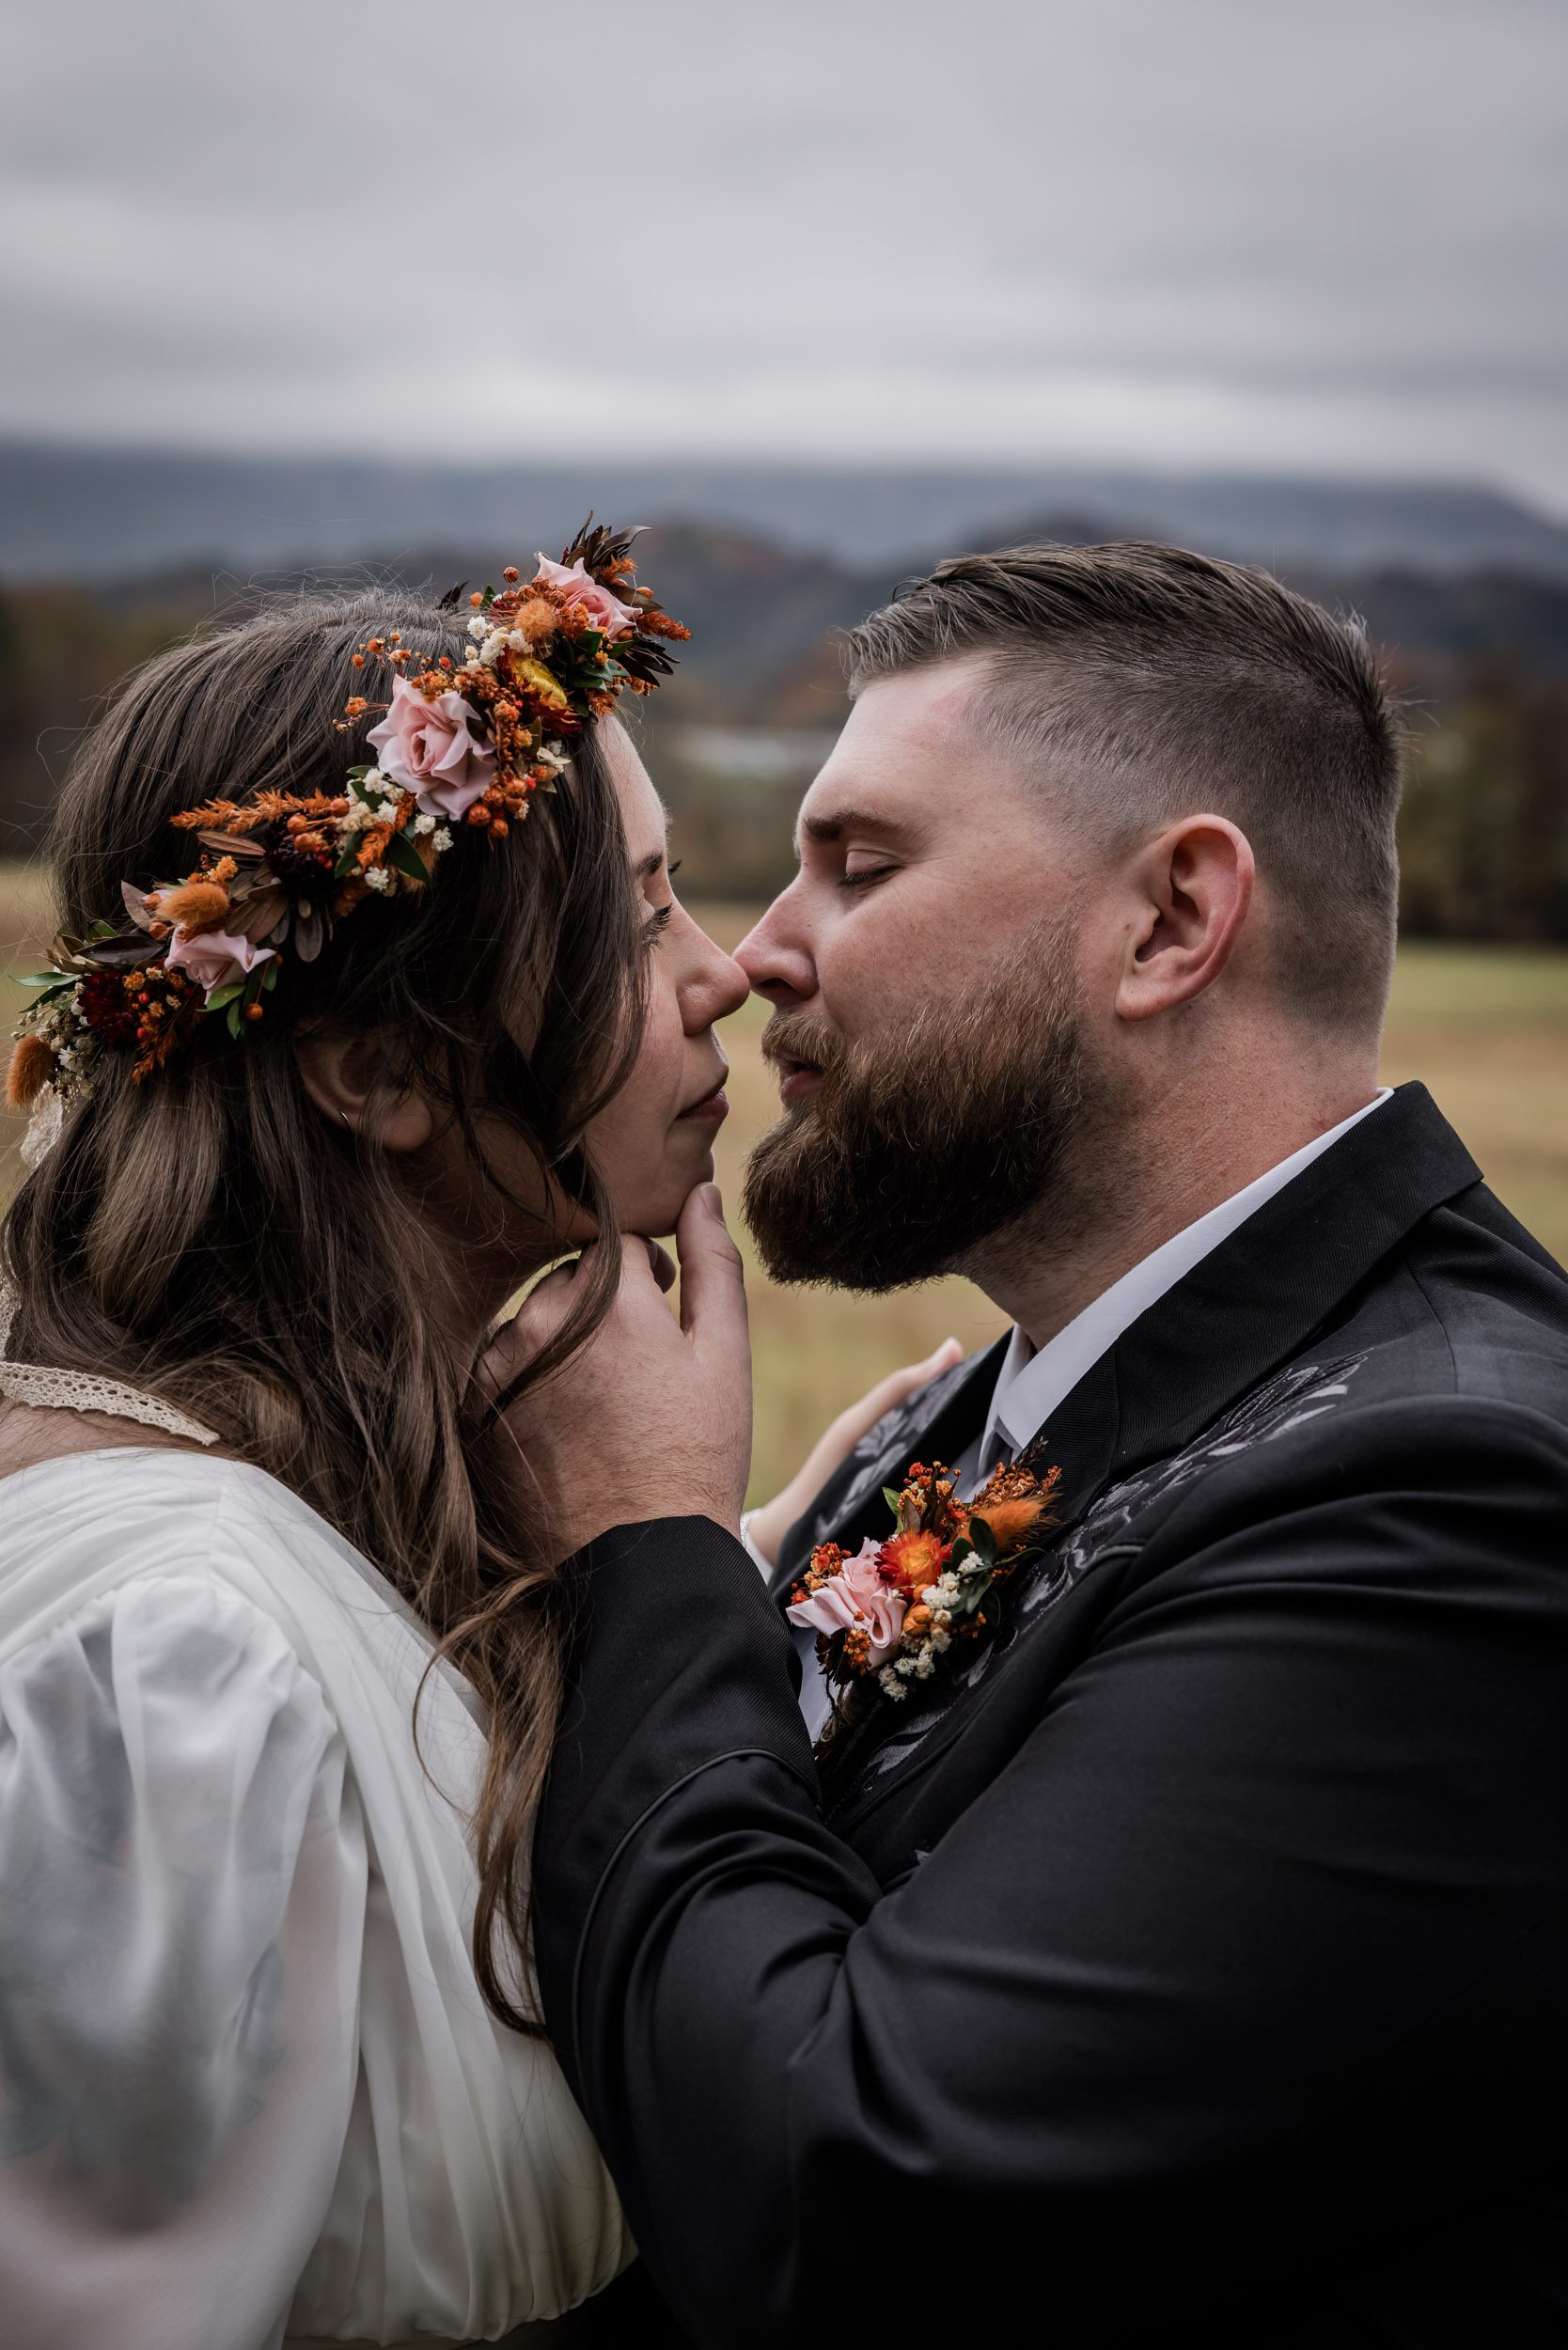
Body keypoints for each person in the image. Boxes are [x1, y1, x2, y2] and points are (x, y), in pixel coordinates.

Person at [510, 543, 1568, 2345]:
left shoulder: (1455, 1500)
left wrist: (650, 1562)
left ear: (1171, 922)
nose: (761, 955)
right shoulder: (982, 1414)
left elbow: (850, 2205)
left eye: (862, 864)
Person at [0, 529, 936, 2350]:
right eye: (641, 910)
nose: (719, 977)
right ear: (379, 1067)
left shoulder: (290, 1518)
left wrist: (691, 1573)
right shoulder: (173, 1668)